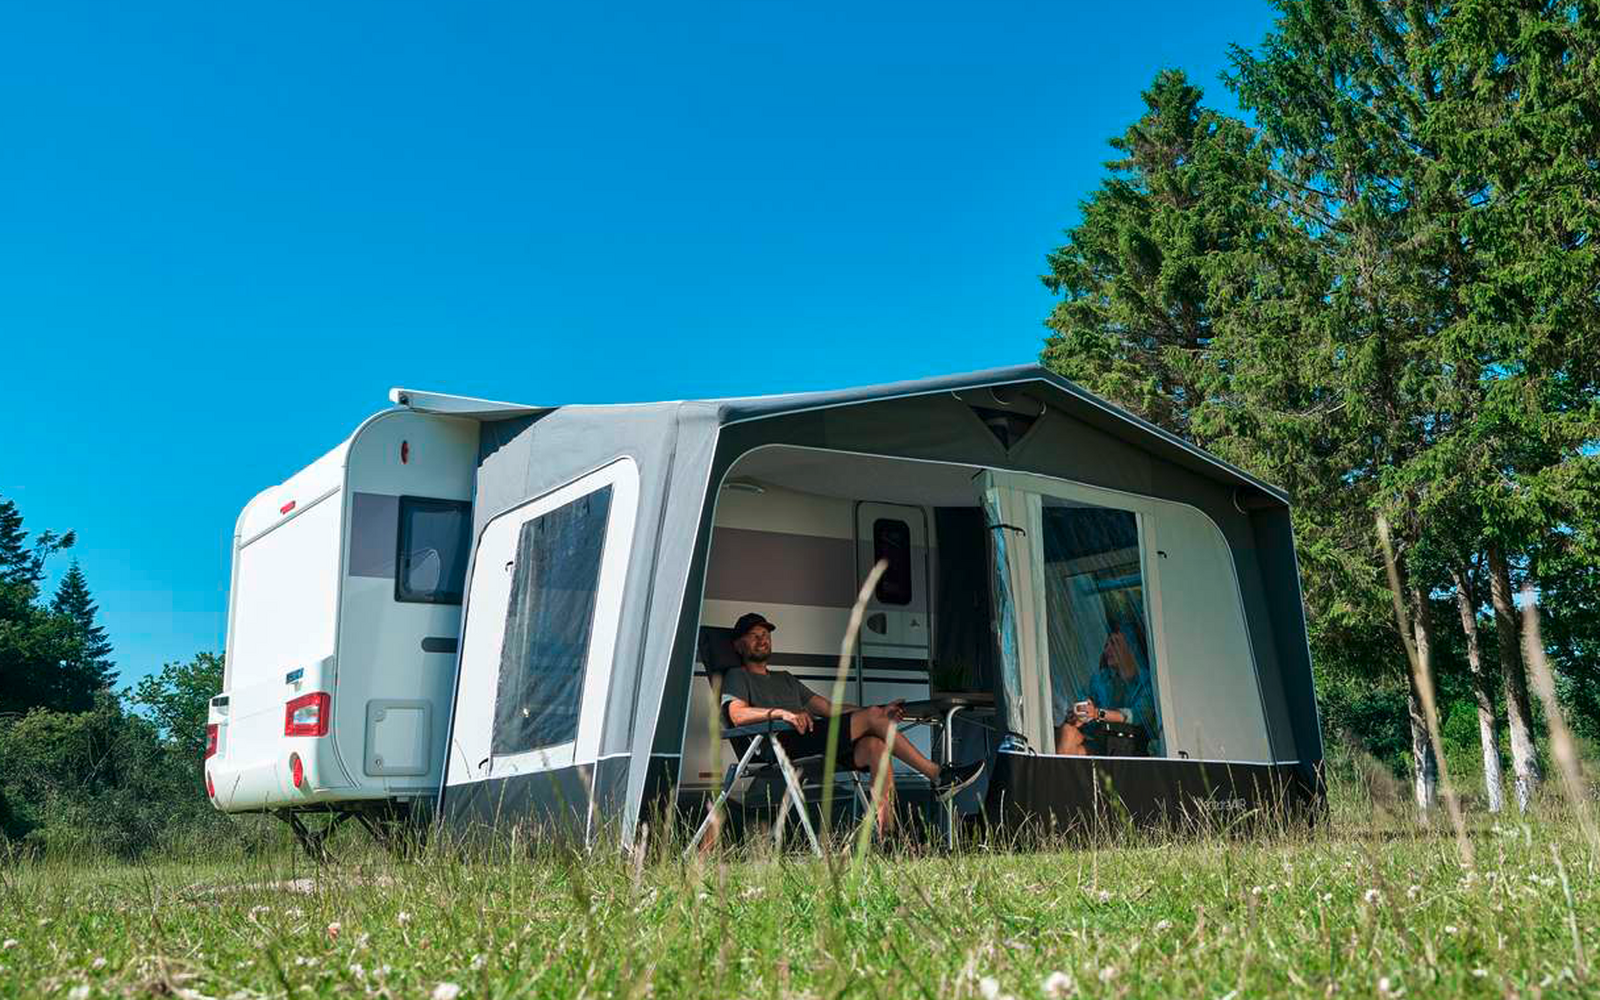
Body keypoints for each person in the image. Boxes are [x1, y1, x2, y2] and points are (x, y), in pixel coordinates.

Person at [720, 612, 985, 834]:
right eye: (754, 636)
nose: (762, 639)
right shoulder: (736, 676)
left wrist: (880, 713)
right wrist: (782, 714)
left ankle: (888, 833)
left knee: (875, 747)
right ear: (737, 646)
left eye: (765, 635)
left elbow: (829, 709)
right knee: (871, 719)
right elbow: (737, 715)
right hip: (781, 742)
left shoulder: (786, 678)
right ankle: (938, 775)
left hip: (810, 739)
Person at [1054, 627, 1157, 755]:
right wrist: (1079, 716)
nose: (1107, 650)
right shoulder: (1101, 679)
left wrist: (1097, 713)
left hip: (1131, 747)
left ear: (1132, 646)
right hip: (1100, 741)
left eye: (1114, 644)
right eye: (1106, 645)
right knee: (1067, 731)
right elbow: (1086, 703)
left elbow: (1136, 716)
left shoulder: (1147, 681)